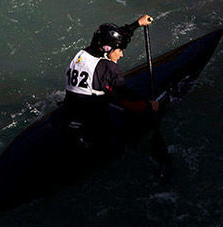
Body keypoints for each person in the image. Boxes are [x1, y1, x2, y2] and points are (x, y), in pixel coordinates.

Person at [63, 14, 158, 146]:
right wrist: (149, 105)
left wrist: (137, 24)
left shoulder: (83, 54)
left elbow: (114, 37)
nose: (121, 54)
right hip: (92, 122)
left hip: (71, 109)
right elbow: (125, 94)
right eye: (119, 50)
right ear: (107, 50)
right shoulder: (109, 68)